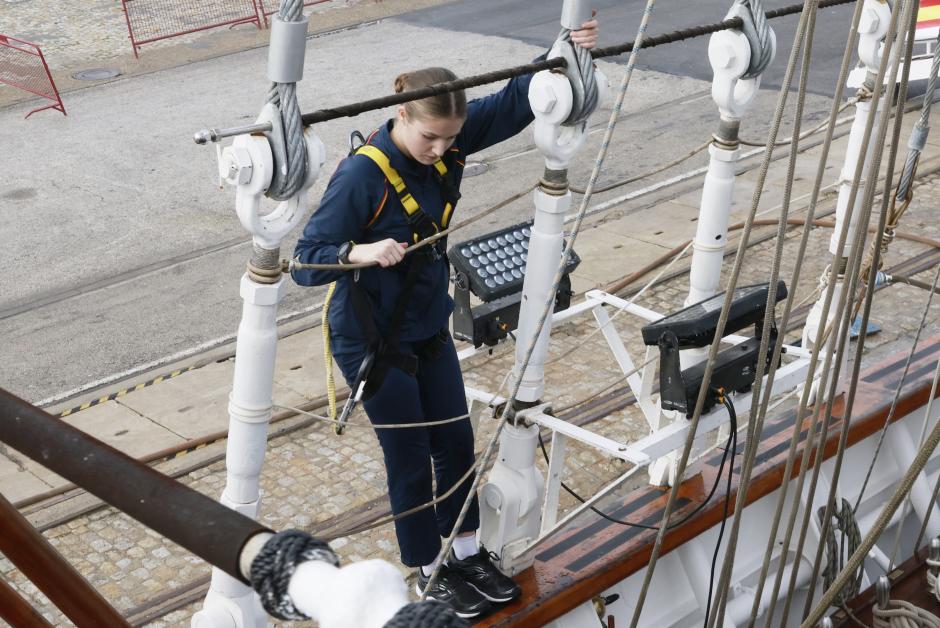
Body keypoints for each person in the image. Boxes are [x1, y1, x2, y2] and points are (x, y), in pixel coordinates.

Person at [291, 18, 599, 619]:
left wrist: (560, 50)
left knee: (456, 443)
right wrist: (357, 253)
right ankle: (428, 567)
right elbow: (303, 261)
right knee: (409, 459)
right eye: (430, 137)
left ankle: (464, 551)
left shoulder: (450, 140)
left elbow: (514, 103)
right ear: (402, 115)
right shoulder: (362, 176)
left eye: (448, 139)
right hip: (372, 342)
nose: (440, 150)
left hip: (426, 327)